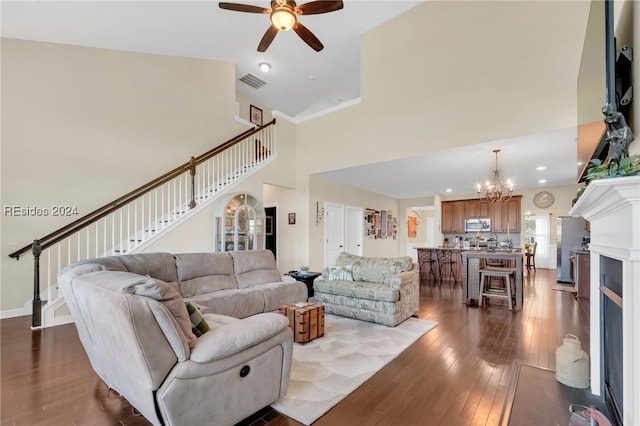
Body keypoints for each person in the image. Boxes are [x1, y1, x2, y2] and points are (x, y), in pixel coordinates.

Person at [602, 103, 634, 175]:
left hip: (623, 132)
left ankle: (628, 165)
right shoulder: (606, 119)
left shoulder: (619, 115)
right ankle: (617, 167)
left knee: (624, 149)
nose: (606, 114)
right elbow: (608, 130)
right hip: (615, 134)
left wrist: (624, 137)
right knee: (614, 149)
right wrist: (609, 137)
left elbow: (624, 126)